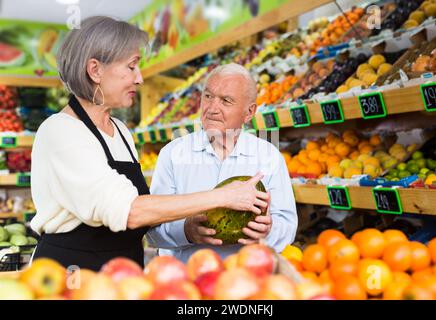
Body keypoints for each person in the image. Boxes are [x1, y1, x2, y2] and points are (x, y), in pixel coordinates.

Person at [30, 17, 268, 271]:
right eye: (132, 67)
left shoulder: (120, 131)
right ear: (95, 70)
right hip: (73, 274)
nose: (140, 78)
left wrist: (189, 229)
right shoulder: (61, 131)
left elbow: (142, 208)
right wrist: (223, 197)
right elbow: (130, 211)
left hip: (125, 271)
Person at [147, 63, 297, 262]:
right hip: (185, 283)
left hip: (246, 280)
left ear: (249, 112)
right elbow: (152, 230)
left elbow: (287, 226)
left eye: (226, 101)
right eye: (208, 96)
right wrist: (186, 231)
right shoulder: (172, 154)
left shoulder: (268, 156)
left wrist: (268, 231)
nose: (212, 109)